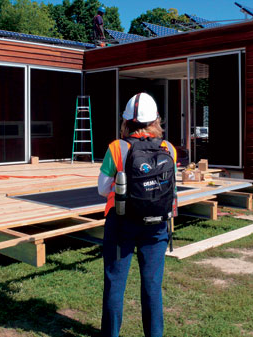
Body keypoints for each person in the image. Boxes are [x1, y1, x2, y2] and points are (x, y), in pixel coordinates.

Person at [97, 93, 177, 337]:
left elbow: (102, 189)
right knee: (152, 285)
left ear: (126, 120)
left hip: (122, 225)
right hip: (157, 227)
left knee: (115, 283)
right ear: (156, 120)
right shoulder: (169, 149)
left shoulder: (117, 147)